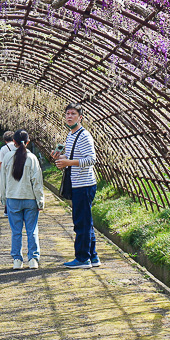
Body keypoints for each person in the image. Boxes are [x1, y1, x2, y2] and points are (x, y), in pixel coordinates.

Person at [53, 104, 99, 269]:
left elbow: (91, 159)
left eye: (73, 114)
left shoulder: (84, 135)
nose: (69, 116)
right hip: (76, 183)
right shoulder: (71, 135)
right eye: (67, 114)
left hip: (85, 185)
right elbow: (74, 156)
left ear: (80, 117)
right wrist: (61, 157)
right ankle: (92, 256)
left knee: (81, 222)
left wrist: (68, 162)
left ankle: (82, 258)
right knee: (86, 220)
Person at [0, 129, 44, 269]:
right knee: (32, 230)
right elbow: (37, 182)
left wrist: (4, 200)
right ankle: (33, 259)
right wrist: (40, 200)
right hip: (30, 199)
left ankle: (17, 260)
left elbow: (3, 181)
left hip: (12, 198)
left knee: (16, 231)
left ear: (14, 142)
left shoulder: (7, 157)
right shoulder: (32, 158)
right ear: (28, 142)